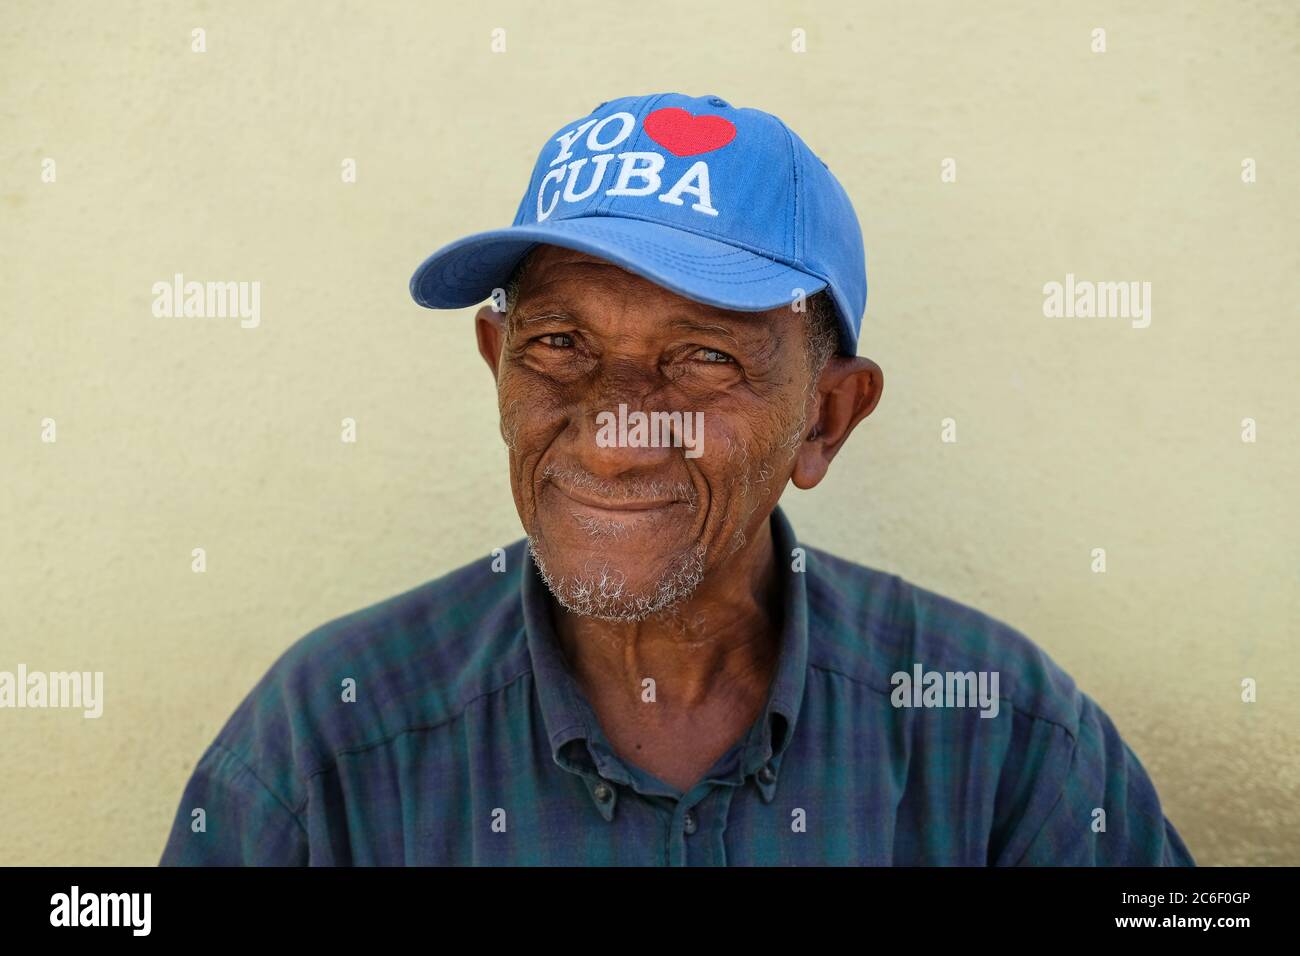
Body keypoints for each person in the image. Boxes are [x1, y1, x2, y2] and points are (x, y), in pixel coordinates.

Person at [160, 92, 1193, 865]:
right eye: (558, 340)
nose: (612, 438)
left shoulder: (998, 734)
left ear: (825, 418)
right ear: (496, 365)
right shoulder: (331, 734)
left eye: (702, 358)